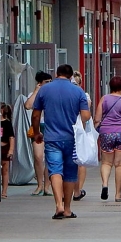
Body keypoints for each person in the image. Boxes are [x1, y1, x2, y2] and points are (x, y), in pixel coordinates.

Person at [31, 64, 91, 219]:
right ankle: (68, 209)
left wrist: (37, 133)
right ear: (71, 76)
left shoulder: (44, 90)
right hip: (72, 139)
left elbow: (36, 115)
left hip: (52, 138)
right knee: (70, 174)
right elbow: (86, 116)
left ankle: (58, 205)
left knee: (55, 170)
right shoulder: (78, 91)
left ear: (56, 73)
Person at [94, 76, 121, 202]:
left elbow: (97, 118)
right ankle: (118, 194)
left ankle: (105, 184)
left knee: (106, 162)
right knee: (119, 164)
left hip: (106, 133)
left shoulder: (104, 99)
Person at [25, 71, 52, 196]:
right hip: (38, 127)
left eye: (50, 82)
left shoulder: (53, 94)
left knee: (49, 157)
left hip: (51, 126)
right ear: (40, 83)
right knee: (38, 156)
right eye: (46, 82)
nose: (49, 84)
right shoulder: (34, 94)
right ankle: (39, 185)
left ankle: (47, 185)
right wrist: (36, 91)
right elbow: (28, 105)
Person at [70, 71, 92, 201]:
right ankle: (74, 189)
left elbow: (86, 111)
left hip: (80, 132)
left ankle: (78, 189)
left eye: (76, 83)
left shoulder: (84, 95)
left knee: (80, 160)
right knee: (73, 160)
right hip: (71, 130)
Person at [0, 103, 14, 199]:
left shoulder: (7, 123)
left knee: (5, 169)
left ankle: (4, 191)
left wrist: (11, 150)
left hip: (5, 147)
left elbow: (11, 137)